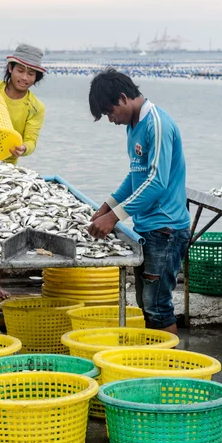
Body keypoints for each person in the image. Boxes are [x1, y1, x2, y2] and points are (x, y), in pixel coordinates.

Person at [88, 67, 190, 334]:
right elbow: (136, 175)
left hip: (166, 229)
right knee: (145, 303)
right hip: (147, 228)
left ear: (123, 98)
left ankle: (170, 368)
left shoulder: (156, 123)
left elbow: (156, 182)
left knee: (158, 306)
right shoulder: (132, 125)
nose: (111, 120)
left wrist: (115, 217)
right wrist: (107, 206)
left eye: (110, 112)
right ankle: (153, 362)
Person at [0, 43, 46, 298]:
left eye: (31, 74)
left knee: (3, 226)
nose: (25, 78)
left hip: (6, 171)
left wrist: (23, 148)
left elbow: (32, 139)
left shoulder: (35, 107)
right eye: (20, 70)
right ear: (10, 68)